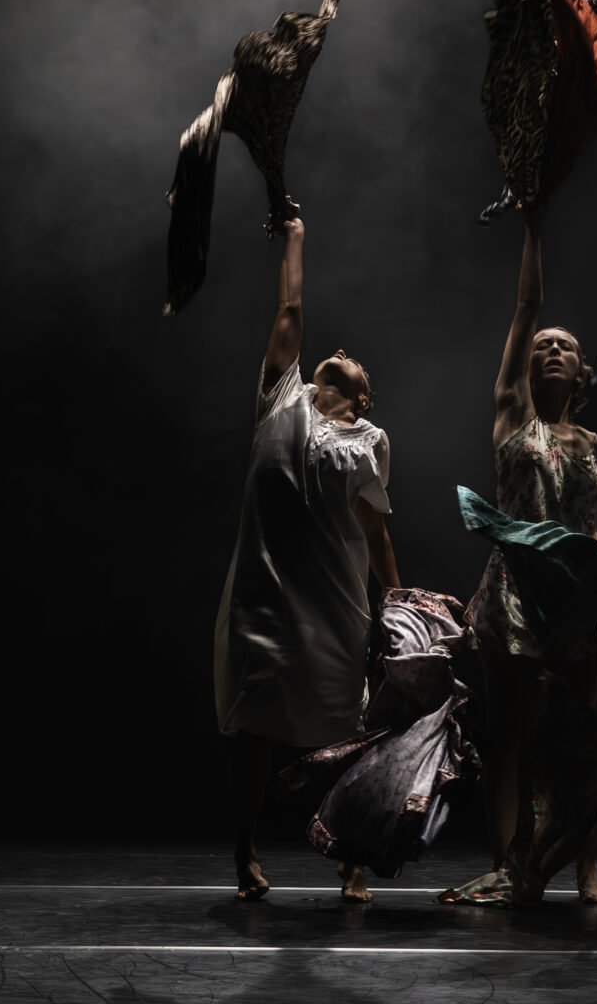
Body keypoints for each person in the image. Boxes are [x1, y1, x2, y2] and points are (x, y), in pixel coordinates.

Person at [212, 216, 400, 902]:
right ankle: (245, 850)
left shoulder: (371, 438)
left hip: (336, 608)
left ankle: (351, 859)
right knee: (257, 730)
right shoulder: (279, 402)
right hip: (266, 600)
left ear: (364, 395)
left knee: (347, 734)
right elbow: (289, 308)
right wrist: (294, 236)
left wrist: (397, 604)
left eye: (355, 360)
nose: (340, 350)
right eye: (334, 353)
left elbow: (375, 533)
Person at [445, 201, 597, 906]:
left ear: (581, 374)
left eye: (564, 347)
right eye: (543, 345)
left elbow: (589, 525)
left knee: (580, 737)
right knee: (509, 737)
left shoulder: (595, 446)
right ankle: (509, 869)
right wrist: (536, 226)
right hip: (513, 589)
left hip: (575, 597)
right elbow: (527, 305)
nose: (550, 350)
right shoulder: (512, 415)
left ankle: (583, 868)